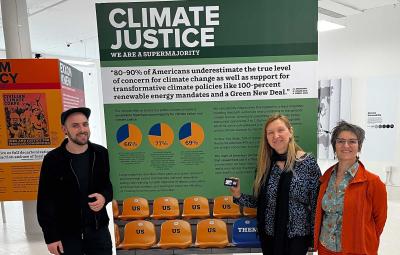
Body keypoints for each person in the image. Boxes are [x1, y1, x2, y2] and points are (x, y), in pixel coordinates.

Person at [229, 114, 321, 255]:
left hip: (297, 236)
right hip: (269, 235)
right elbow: (262, 202)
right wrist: (238, 195)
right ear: (266, 138)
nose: (275, 136)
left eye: (280, 130)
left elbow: (316, 203)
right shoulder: (265, 165)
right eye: (270, 132)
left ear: (290, 132)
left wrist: (315, 239)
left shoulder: (307, 163)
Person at [37, 107, 113, 255]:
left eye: (85, 124)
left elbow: (108, 186)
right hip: (67, 234)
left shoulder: (101, 153)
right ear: (64, 130)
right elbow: (45, 201)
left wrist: (104, 197)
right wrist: (51, 237)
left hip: (98, 231)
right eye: (75, 126)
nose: (82, 129)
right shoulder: (53, 160)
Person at [314, 121, 387, 255]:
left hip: (356, 249)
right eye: (340, 141)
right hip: (325, 247)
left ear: (359, 146)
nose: (346, 145)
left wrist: (365, 242)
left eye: (352, 141)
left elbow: (379, 223)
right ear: (334, 146)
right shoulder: (326, 178)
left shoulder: (373, 182)